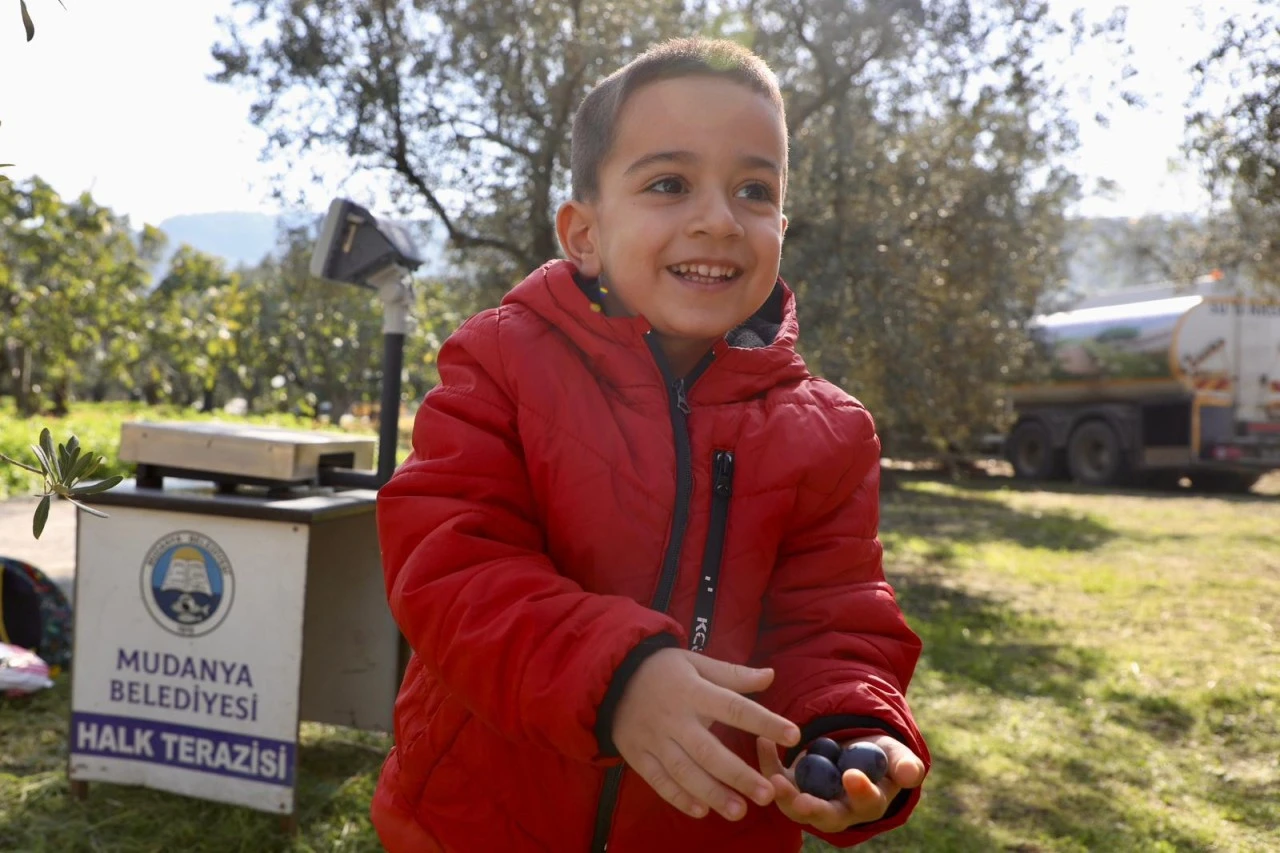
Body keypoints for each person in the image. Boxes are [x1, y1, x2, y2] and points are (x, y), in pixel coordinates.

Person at [373, 36, 929, 853]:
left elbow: (832, 620)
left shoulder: (829, 433)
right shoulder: (501, 363)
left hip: (710, 829)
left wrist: (851, 730)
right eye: (669, 183)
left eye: (753, 189)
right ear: (585, 234)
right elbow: (450, 565)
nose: (717, 218)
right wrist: (619, 679)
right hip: (476, 822)